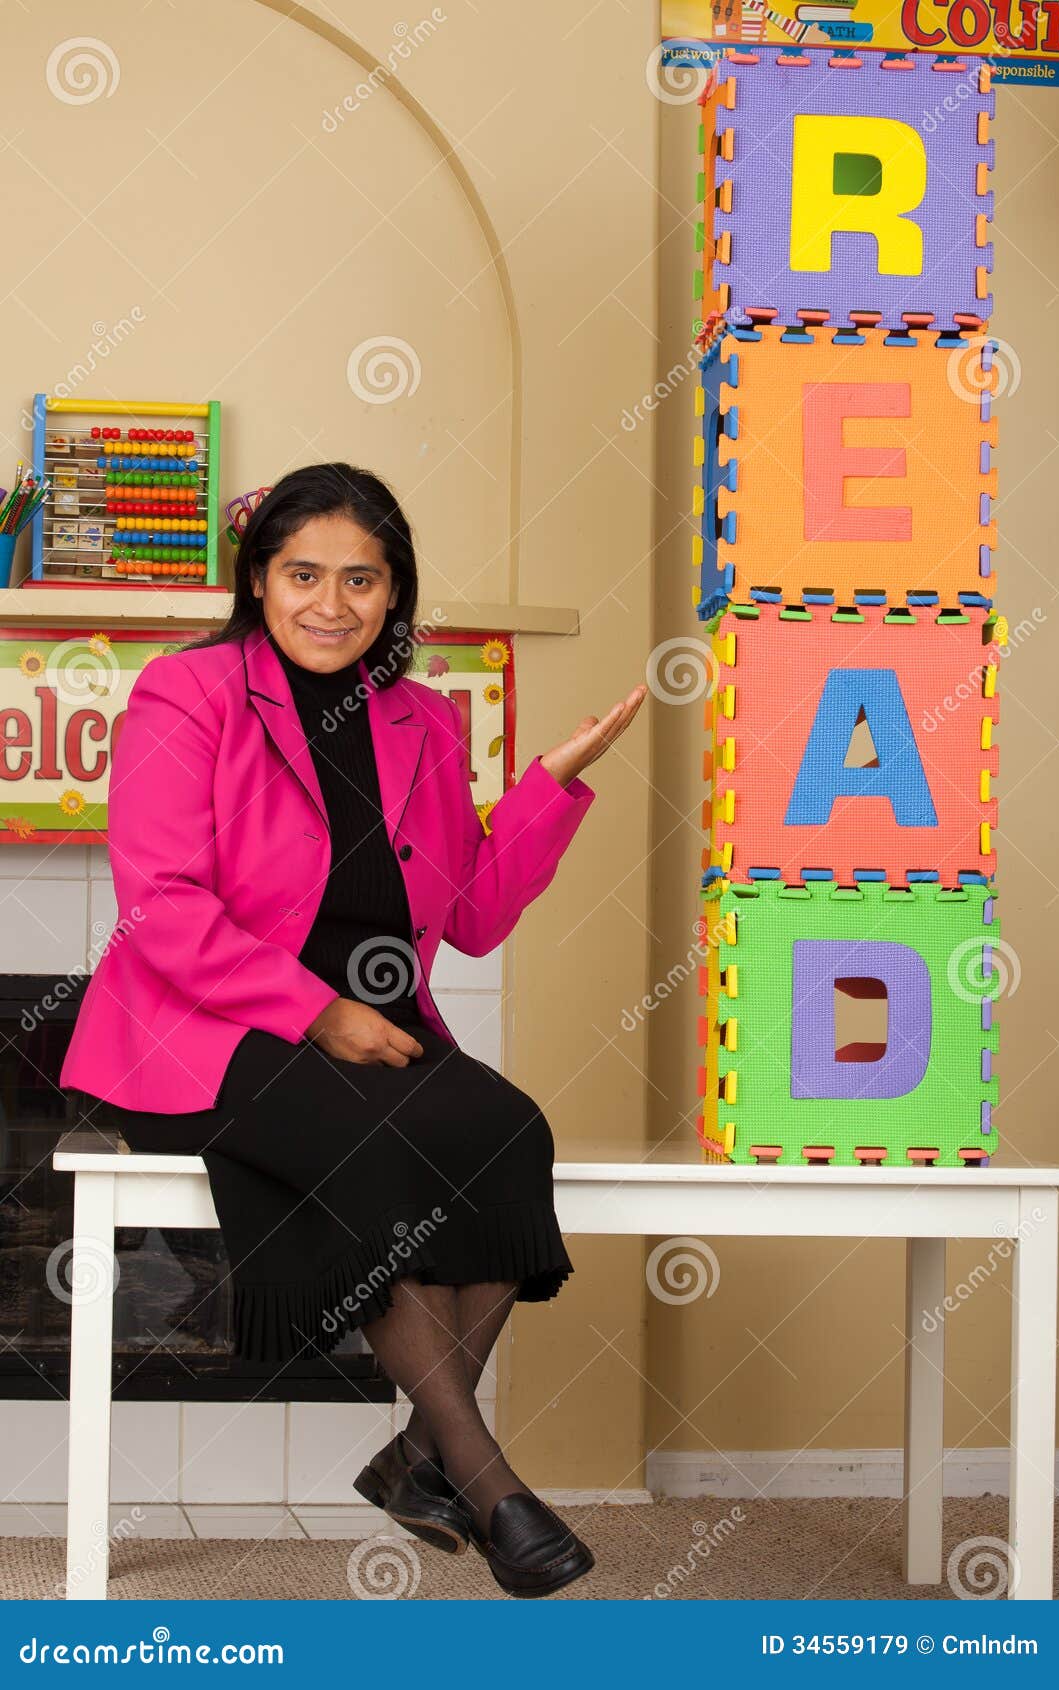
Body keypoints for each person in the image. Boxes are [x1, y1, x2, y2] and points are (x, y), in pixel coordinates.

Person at [59, 462, 647, 1599]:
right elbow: (160, 904)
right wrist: (316, 1012)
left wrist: (548, 787)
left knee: (506, 1132)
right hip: (205, 1027)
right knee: (382, 1148)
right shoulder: (188, 693)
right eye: (303, 575)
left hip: (378, 1027)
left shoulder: (424, 718)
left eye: (360, 579)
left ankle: (418, 1456)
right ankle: (482, 1478)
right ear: (259, 579)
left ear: (393, 593)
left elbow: (471, 914)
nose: (330, 604)